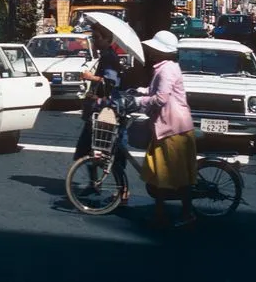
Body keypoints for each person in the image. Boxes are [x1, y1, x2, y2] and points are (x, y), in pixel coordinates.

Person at [133, 30, 197, 229]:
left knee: (177, 176)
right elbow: (158, 92)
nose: (151, 51)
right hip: (167, 126)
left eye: (154, 48)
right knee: (160, 173)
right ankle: (159, 212)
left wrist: (139, 101)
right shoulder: (165, 68)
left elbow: (161, 98)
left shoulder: (167, 69)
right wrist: (143, 91)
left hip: (172, 128)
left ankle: (186, 213)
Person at [74, 23, 128, 202]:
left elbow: (111, 82)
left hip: (106, 111)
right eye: (93, 37)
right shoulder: (105, 56)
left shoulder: (110, 57)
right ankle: (94, 182)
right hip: (98, 109)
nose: (94, 41)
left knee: (108, 150)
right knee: (89, 149)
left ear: (107, 39)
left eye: (97, 38)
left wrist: (91, 78)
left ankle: (120, 188)